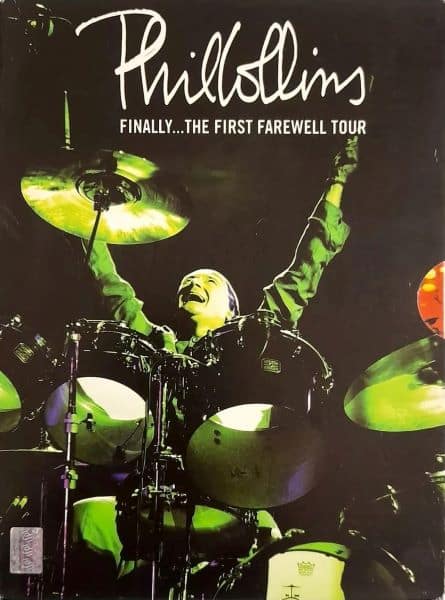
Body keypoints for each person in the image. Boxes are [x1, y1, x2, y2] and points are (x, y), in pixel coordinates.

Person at [70, 137, 358, 597]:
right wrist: (82, 212)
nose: (193, 283)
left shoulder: (251, 337)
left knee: (280, 560)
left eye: (208, 281)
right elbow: (111, 286)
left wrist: (336, 185)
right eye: (187, 281)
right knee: (85, 517)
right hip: (157, 499)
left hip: (233, 502)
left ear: (232, 308)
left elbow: (304, 271)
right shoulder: (160, 343)